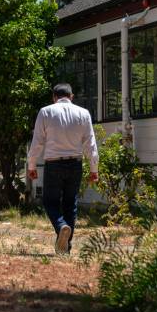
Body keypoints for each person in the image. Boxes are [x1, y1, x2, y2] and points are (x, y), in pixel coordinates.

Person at [27, 83, 99, 255]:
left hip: (54, 164)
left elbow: (37, 142)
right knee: (70, 203)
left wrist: (31, 165)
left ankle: (61, 226)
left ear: (54, 97)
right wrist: (93, 168)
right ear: (71, 96)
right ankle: (66, 247)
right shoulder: (84, 113)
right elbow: (90, 144)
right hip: (75, 163)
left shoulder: (46, 112)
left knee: (49, 201)